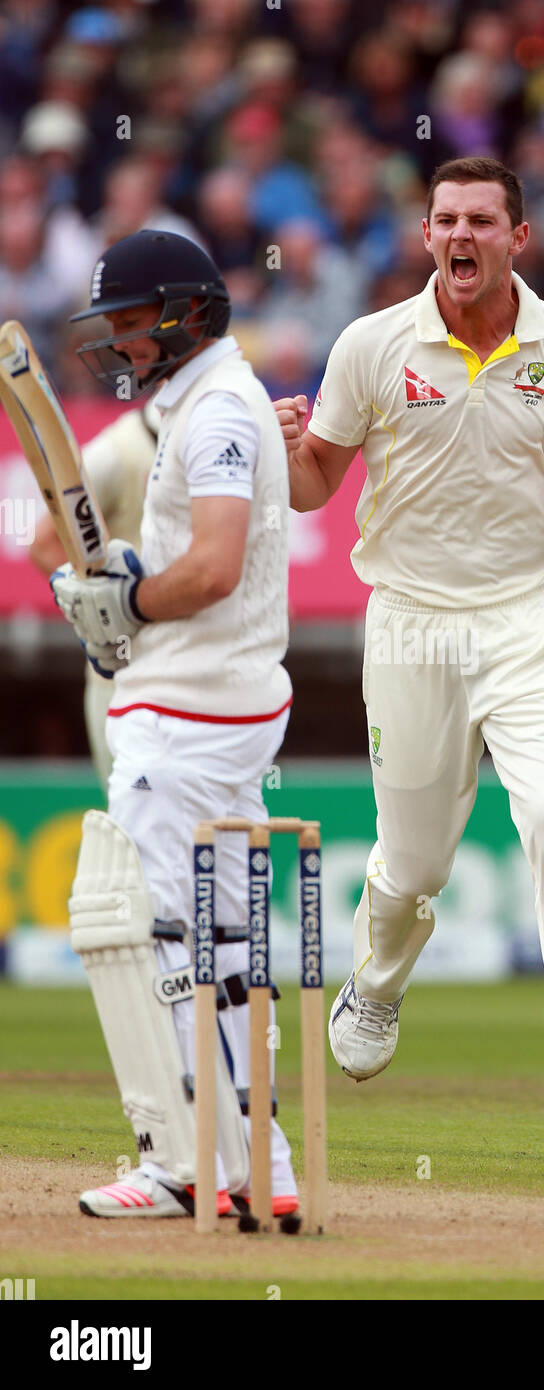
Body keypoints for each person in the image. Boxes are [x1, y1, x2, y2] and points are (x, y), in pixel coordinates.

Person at [276, 156, 544, 1167]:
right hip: (410, 625)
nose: (458, 236)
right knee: (413, 864)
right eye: (443, 220)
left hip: (527, 622)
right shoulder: (372, 344)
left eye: (478, 221)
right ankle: (374, 983)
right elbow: (310, 487)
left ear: (517, 236)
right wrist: (286, 448)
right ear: (426, 236)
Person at [49, 229, 299, 1217]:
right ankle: (261, 1171)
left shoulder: (219, 410)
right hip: (206, 702)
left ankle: (192, 1164)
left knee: (162, 941)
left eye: (125, 319)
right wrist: (123, 595)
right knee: (222, 948)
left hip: (186, 711)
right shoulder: (202, 402)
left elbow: (217, 564)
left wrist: (132, 606)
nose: (114, 338)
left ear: (180, 313)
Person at [30, 401, 158, 791]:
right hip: (122, 679)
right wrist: (107, 605)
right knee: (134, 819)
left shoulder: (211, 437)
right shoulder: (118, 452)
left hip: (189, 670)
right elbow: (45, 543)